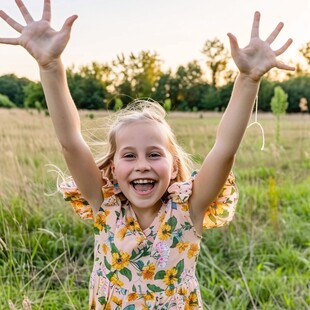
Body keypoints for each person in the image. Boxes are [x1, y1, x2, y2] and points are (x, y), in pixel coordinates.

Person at [0, 0, 295, 309]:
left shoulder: (187, 209)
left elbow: (224, 149)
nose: (142, 166)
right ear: (112, 169)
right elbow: (71, 142)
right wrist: (50, 66)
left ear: (174, 165)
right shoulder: (105, 205)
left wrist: (248, 80)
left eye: (154, 155)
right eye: (129, 156)